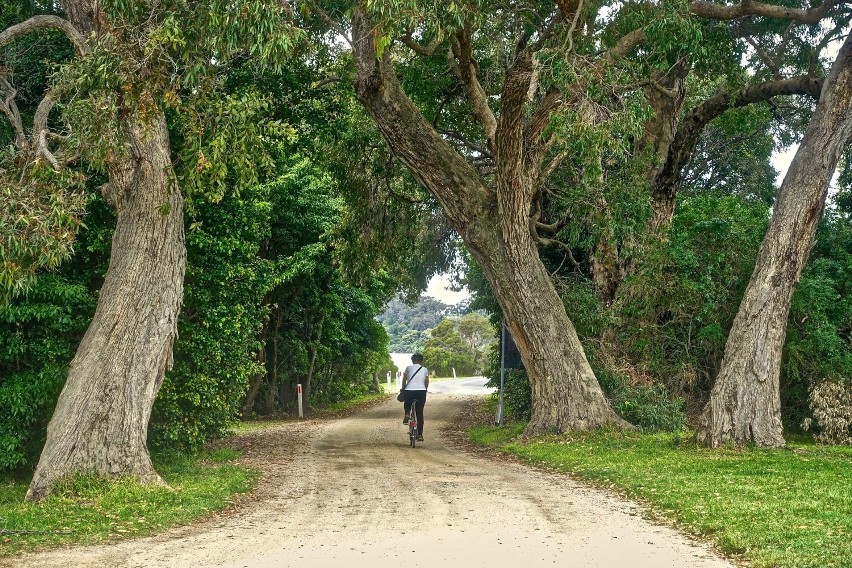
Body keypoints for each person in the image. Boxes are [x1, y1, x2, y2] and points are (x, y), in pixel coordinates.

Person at [401, 353, 429, 442]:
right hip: (421, 392)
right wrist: (425, 389)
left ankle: (407, 413)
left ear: (412, 360)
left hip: (409, 391)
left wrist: (403, 388)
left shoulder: (408, 368)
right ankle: (420, 435)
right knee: (419, 412)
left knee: (407, 402)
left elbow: (404, 379)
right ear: (421, 361)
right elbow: (426, 382)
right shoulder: (424, 369)